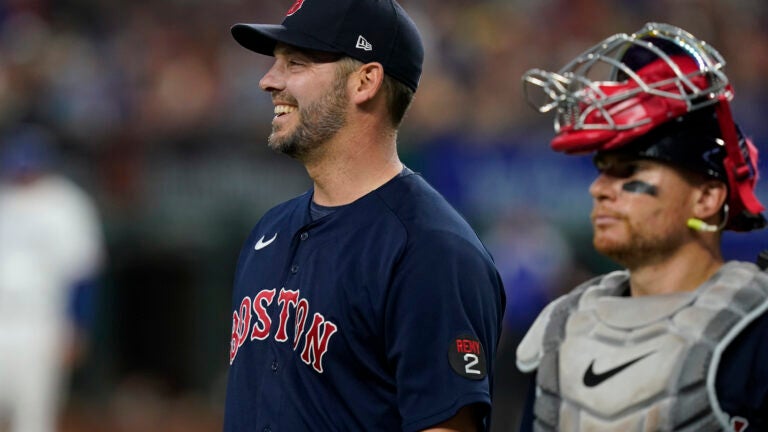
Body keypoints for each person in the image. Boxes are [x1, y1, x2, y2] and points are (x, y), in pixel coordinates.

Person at [223, 0, 506, 431]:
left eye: (295, 63)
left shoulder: (431, 250)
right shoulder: (270, 230)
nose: (268, 81)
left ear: (365, 81)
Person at [515, 22, 768, 431]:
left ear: (706, 197)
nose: (599, 189)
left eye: (629, 171)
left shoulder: (757, 330)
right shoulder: (561, 331)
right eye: (602, 170)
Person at [0, 124, 105, 432]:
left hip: (42, 324)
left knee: (34, 419)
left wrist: (78, 324)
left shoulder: (66, 203)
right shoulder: (3, 198)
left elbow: (83, 271)